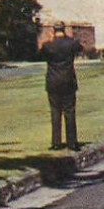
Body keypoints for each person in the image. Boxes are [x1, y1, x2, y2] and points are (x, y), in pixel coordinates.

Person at [40, 22, 84, 151]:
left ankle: (56, 142)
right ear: (64, 29)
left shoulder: (48, 45)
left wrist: (50, 39)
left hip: (53, 81)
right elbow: (80, 48)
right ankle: (72, 142)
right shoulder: (71, 43)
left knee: (55, 112)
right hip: (68, 80)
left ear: (53, 30)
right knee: (69, 112)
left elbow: (41, 55)